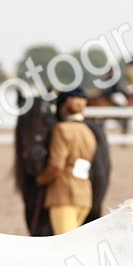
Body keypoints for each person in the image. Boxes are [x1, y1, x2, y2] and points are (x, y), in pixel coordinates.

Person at [36, 88, 96, 234]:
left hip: (63, 196)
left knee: (65, 245)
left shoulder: (61, 129)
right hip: (85, 197)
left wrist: (41, 179)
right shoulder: (89, 132)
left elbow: (56, 165)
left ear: (63, 108)